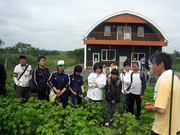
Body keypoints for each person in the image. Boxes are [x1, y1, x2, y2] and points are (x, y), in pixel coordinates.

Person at [145, 52, 180, 135]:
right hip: (173, 127)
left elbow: (161, 109)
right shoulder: (174, 78)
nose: (152, 68)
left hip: (162, 129)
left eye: (153, 64)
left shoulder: (164, 81)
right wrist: (154, 105)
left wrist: (151, 108)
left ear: (161, 64)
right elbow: (169, 103)